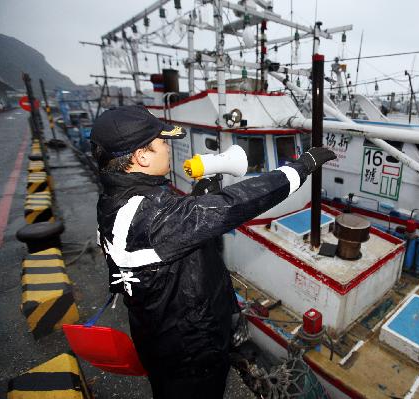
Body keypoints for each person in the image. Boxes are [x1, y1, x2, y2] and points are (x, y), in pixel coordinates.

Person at [90, 105, 335, 399]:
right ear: (141, 156)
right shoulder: (150, 214)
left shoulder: (122, 199)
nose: (168, 148)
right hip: (190, 356)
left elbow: (164, 236)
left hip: (165, 342)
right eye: (161, 143)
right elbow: (233, 204)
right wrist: (298, 169)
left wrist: (195, 200)